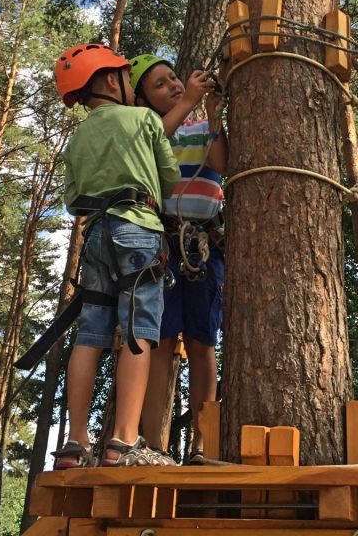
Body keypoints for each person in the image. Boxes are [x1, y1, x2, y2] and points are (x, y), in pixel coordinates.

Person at [51, 43, 182, 468]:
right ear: (111, 80)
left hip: (96, 236)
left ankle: (75, 441)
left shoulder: (77, 139)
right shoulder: (143, 118)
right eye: (127, 77)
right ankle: (123, 440)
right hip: (138, 229)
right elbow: (170, 178)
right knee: (139, 331)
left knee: (90, 334)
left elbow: (73, 201)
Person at [129, 54, 226, 464]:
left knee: (202, 342)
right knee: (163, 341)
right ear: (142, 101)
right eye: (160, 84)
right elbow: (151, 151)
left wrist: (213, 115)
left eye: (173, 78)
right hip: (164, 244)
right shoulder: (146, 129)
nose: (172, 85)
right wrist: (188, 103)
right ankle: (154, 443)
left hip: (204, 244)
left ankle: (202, 443)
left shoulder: (201, 128)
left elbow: (221, 164)